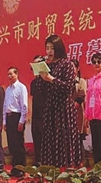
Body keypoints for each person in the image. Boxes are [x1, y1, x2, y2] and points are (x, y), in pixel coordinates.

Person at [38, 35, 81, 167]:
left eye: (52, 48)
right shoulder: (47, 65)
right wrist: (40, 75)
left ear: (58, 48)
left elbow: (68, 87)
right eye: (47, 48)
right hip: (50, 108)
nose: (49, 51)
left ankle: (67, 169)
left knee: (63, 140)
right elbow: (41, 90)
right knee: (50, 140)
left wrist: (51, 79)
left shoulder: (66, 64)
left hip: (63, 109)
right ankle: (52, 170)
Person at [3, 67, 28, 177]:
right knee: (12, 144)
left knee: (19, 144)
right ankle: (14, 168)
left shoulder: (21, 87)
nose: (9, 76)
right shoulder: (8, 89)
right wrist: (4, 121)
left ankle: (21, 168)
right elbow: (5, 106)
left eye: (11, 74)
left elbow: (24, 105)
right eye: (8, 74)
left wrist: (21, 121)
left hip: (17, 117)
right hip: (9, 117)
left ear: (17, 74)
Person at [30, 56, 46, 166]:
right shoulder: (33, 83)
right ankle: (38, 161)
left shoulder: (47, 81)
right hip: (36, 115)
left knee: (45, 140)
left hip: (45, 115)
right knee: (36, 138)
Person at [71, 59, 87, 161]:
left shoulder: (81, 81)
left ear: (77, 68)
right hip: (67, 114)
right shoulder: (66, 81)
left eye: (73, 67)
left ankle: (80, 161)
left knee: (78, 138)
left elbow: (81, 96)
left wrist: (71, 106)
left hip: (77, 113)